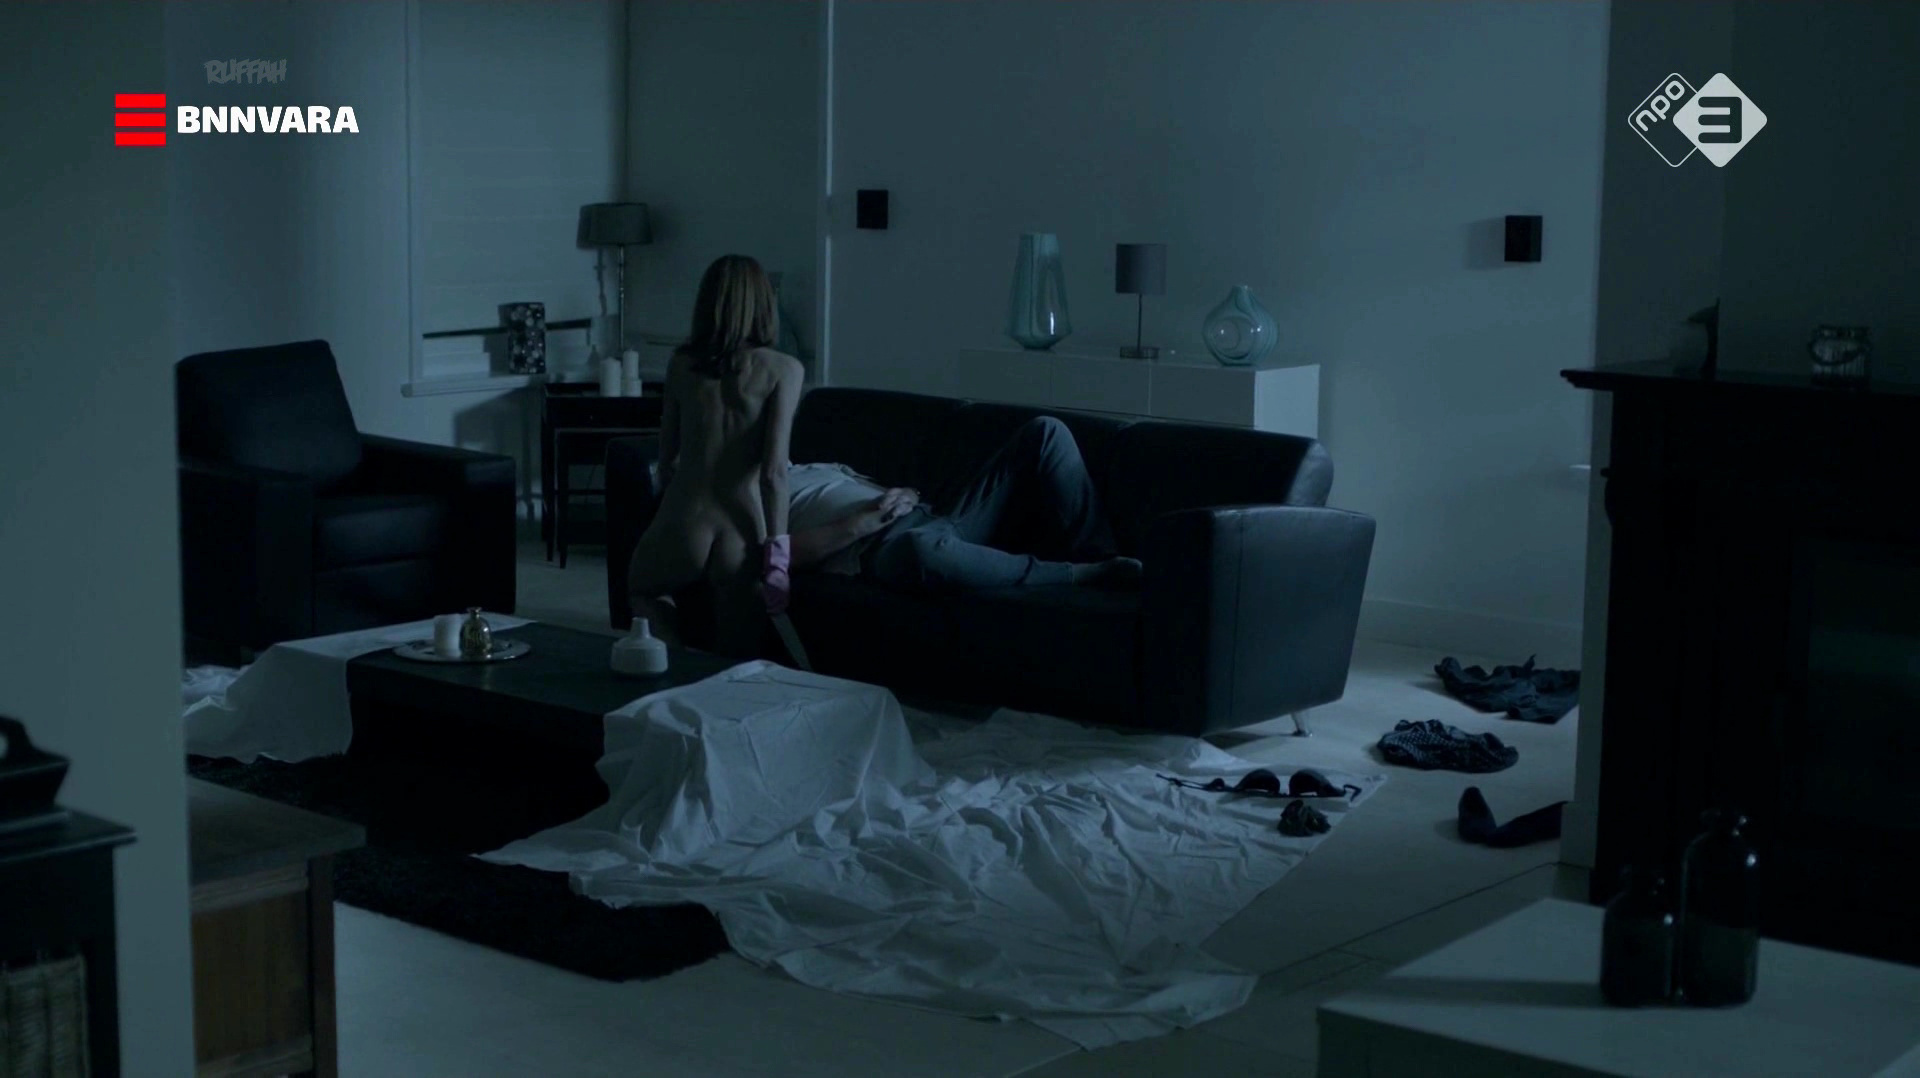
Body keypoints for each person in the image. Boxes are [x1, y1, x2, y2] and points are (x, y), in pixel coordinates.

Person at [626, 254, 803, 657]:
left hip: (685, 516)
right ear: (764, 303)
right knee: (734, 652)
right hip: (742, 526)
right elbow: (773, 474)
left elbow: (667, 457)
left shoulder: (682, 364)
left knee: (643, 591)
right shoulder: (785, 370)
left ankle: (674, 664)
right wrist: (778, 559)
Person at [786, 415, 1142, 592]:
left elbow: (895, 491)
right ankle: (1083, 575)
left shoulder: (814, 467)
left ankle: (1103, 557)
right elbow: (782, 554)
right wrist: (860, 524)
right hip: (881, 547)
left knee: (1046, 430)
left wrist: (908, 493)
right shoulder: (762, 496)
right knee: (921, 548)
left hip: (937, 516)